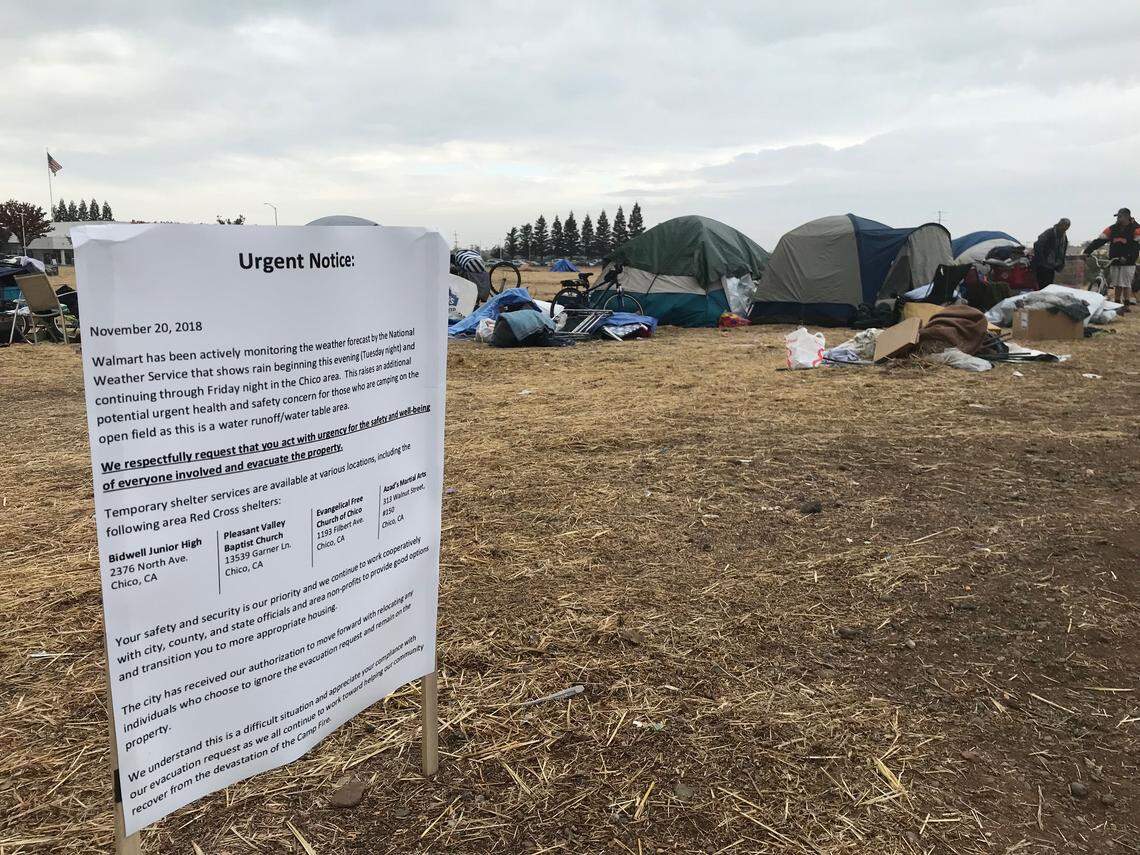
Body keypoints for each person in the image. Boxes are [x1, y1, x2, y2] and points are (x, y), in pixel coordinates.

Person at [1084, 208, 1139, 311]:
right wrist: (1088, 251)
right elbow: (1099, 240)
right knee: (1117, 284)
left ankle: (1126, 306)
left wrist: (1128, 257)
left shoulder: (1136, 229)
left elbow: (1136, 247)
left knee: (1126, 284)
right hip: (1114, 260)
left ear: (1127, 217)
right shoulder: (1112, 229)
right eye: (1117, 216)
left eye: (1120, 216)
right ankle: (1117, 304)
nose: (1118, 218)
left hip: (1128, 262)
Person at [1031, 219, 1070, 287]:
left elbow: (1063, 251)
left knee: (1048, 286)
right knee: (1042, 286)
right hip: (1043, 265)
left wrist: (1060, 263)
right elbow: (1037, 245)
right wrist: (1041, 261)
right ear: (1059, 225)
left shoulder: (1064, 237)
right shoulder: (1049, 233)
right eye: (1064, 226)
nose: (1065, 229)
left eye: (1067, 227)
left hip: (1052, 265)